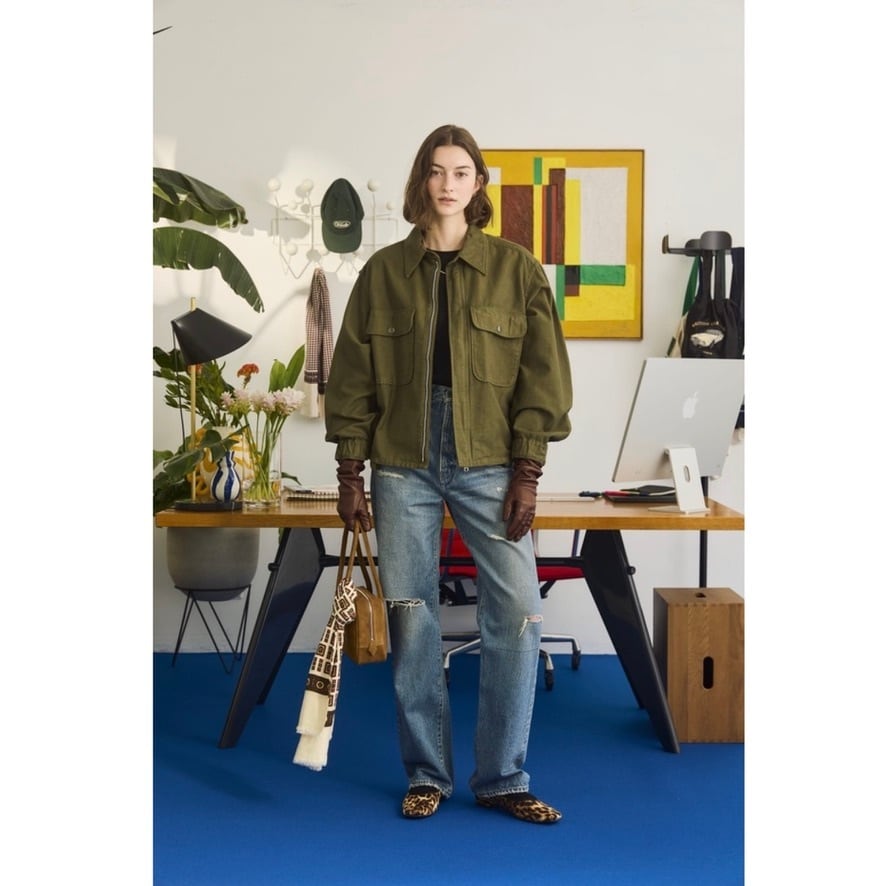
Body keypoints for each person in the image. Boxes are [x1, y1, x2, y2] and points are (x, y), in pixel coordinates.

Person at [324, 124, 573, 824]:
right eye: (436, 171)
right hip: (401, 462)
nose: (447, 184)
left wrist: (528, 469)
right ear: (421, 181)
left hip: (489, 458)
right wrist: (349, 470)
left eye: (461, 172)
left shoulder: (517, 269)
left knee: (517, 614)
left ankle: (503, 778)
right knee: (412, 619)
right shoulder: (382, 273)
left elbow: (544, 375)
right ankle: (427, 773)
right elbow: (352, 376)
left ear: (478, 184)